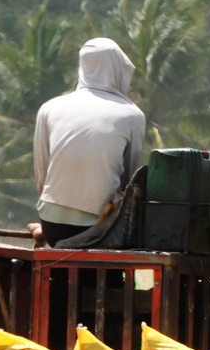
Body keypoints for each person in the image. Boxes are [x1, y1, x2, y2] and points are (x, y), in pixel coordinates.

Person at [31, 37, 146, 248]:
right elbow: (130, 181)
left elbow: (42, 174)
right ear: (117, 70)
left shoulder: (49, 108)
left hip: (52, 222)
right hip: (102, 226)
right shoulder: (132, 115)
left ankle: (42, 232)